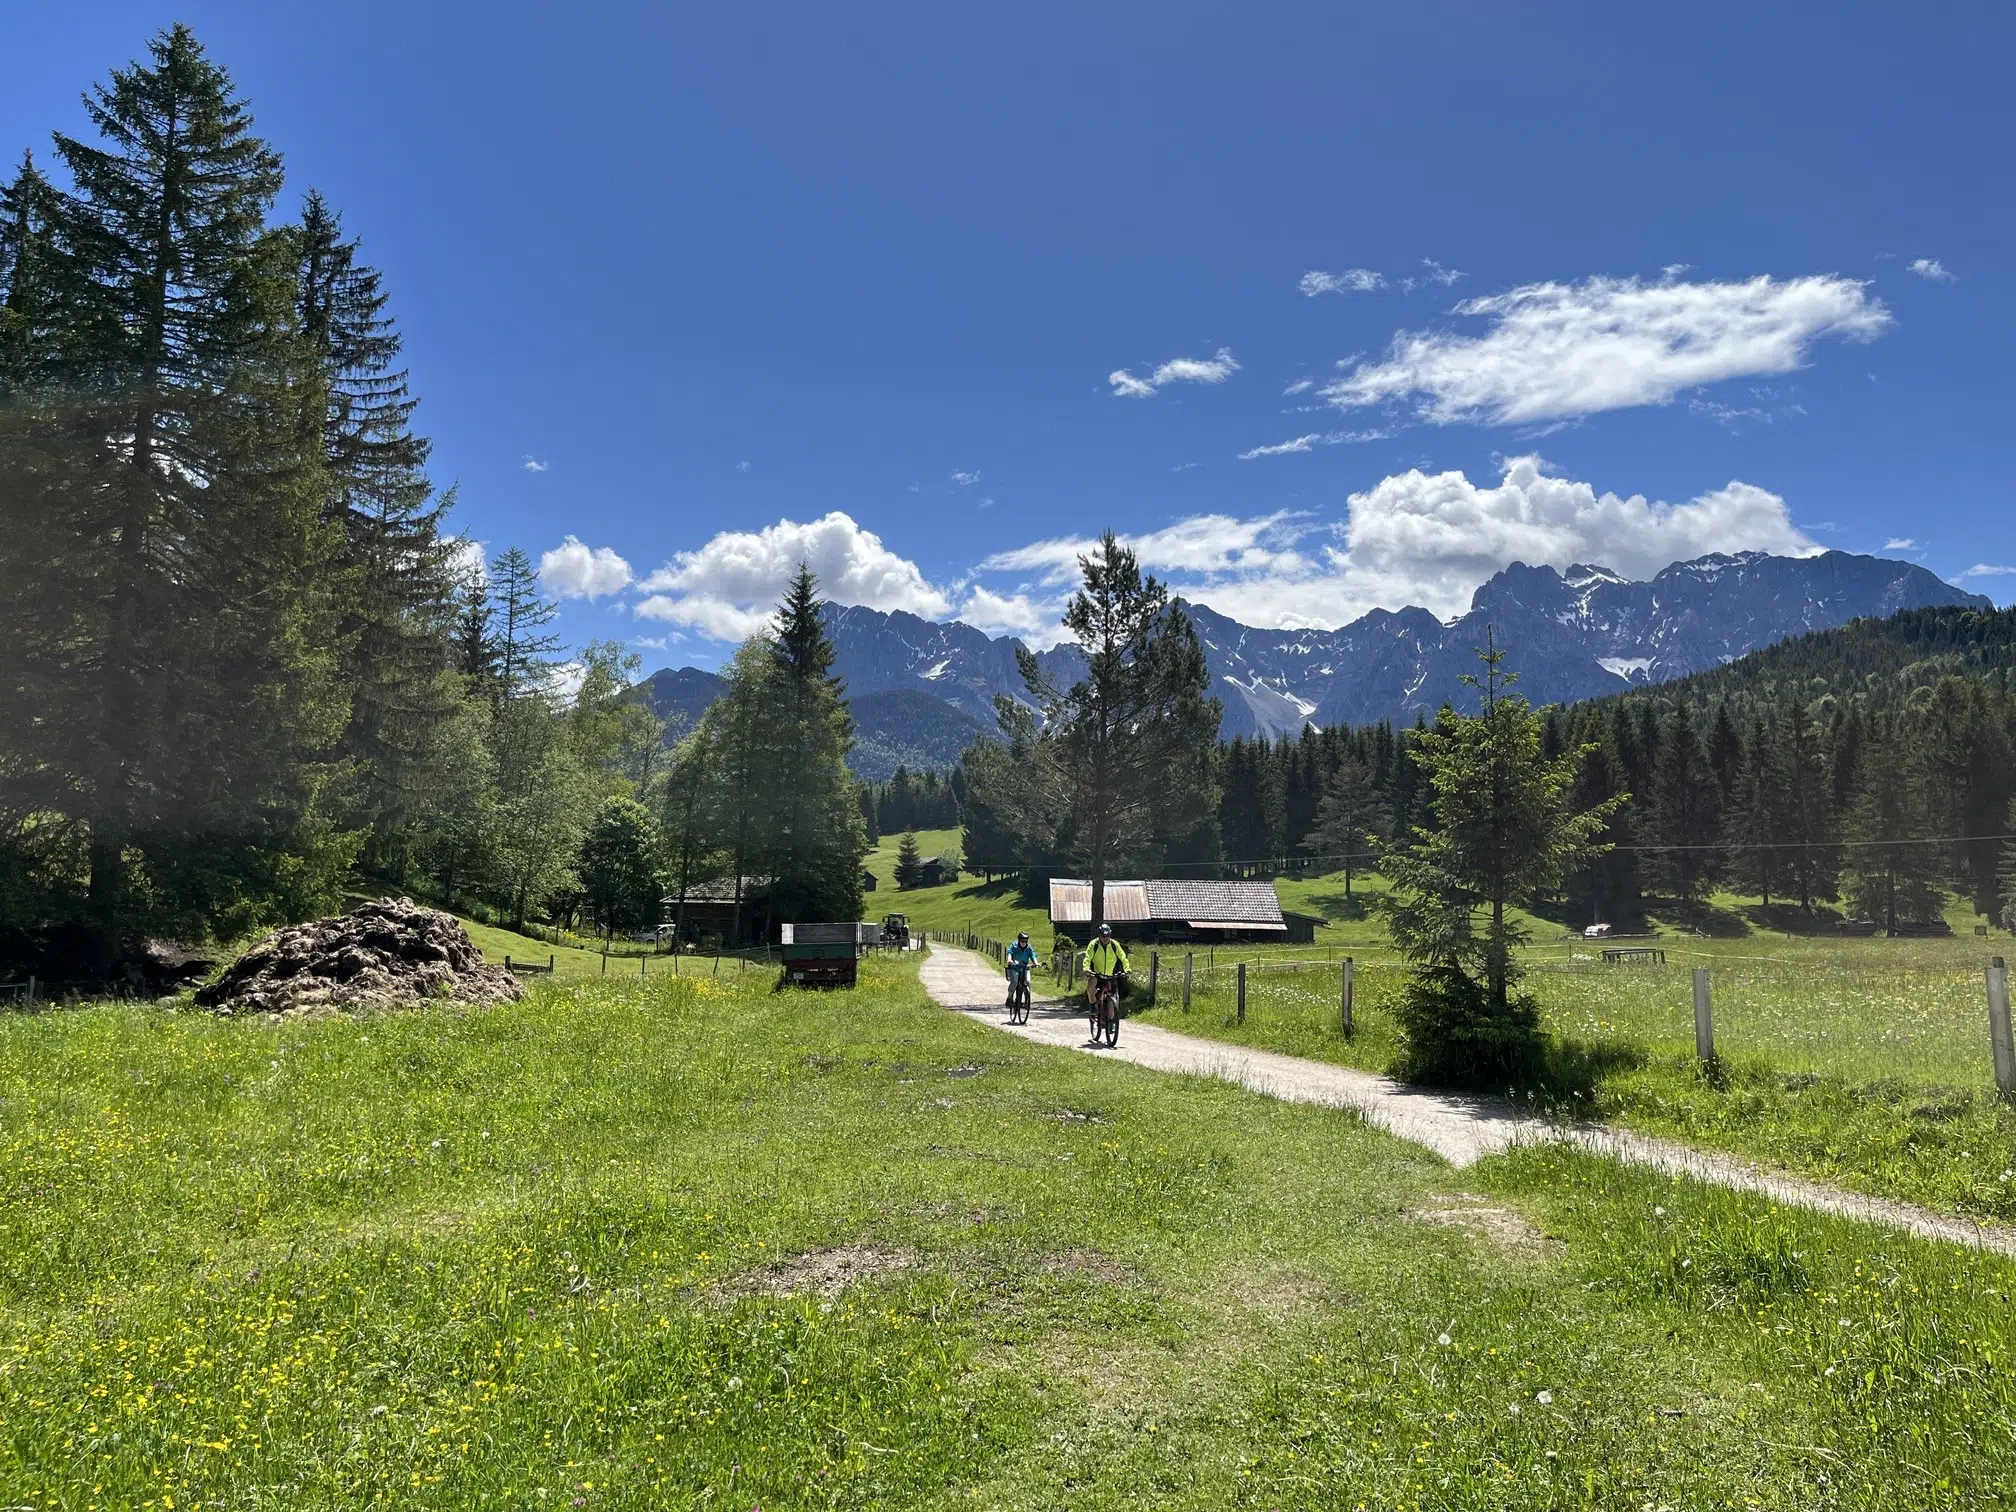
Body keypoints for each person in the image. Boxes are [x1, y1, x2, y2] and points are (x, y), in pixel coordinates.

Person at [1083, 923, 1129, 1011]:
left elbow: (1123, 957)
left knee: (1113, 998)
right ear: (1099, 936)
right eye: (1103, 936)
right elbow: (1087, 958)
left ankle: (1111, 1018)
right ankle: (1092, 1005)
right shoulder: (1094, 944)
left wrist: (1127, 969)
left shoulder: (1114, 945)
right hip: (1096, 973)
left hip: (1111, 974)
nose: (1105, 938)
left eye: (1107, 936)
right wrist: (1086, 969)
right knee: (1091, 987)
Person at [1004, 931, 1040, 1004]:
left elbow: (1033, 955)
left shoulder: (1029, 948)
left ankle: (1027, 999)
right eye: (1022, 941)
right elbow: (1010, 952)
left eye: (1026, 941)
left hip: (1024, 968)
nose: (1024, 943)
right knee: (1014, 983)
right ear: (1019, 940)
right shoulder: (1014, 946)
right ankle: (1009, 997)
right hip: (1014, 967)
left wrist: (1036, 963)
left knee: (1027, 982)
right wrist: (1009, 960)